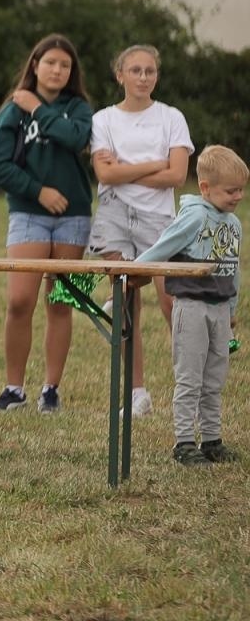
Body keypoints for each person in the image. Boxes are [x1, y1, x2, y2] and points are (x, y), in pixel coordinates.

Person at [0, 33, 93, 414]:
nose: (58, 70)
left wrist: (39, 109)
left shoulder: (78, 108)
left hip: (74, 217)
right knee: (19, 301)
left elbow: (75, 138)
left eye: (65, 65)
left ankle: (50, 390)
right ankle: (13, 389)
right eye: (50, 63)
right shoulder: (14, 108)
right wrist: (37, 190)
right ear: (34, 65)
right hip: (28, 214)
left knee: (60, 303)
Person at [87, 44, 192, 418]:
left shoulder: (171, 118)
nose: (143, 77)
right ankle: (137, 393)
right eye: (135, 70)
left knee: (172, 303)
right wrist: (153, 164)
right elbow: (106, 176)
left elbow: (177, 175)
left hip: (160, 221)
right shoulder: (103, 120)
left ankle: (188, 389)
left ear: (156, 76)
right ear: (120, 75)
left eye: (150, 71)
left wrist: (126, 170)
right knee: (127, 305)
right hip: (116, 214)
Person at [135, 145, 243, 466]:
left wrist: (233, 308)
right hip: (192, 307)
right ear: (205, 188)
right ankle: (183, 443)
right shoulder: (194, 216)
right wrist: (132, 271)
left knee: (214, 378)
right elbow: (163, 245)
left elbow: (234, 269)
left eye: (241, 190)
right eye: (230, 191)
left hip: (220, 309)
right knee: (190, 378)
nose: (237, 197)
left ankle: (211, 440)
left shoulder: (234, 224)